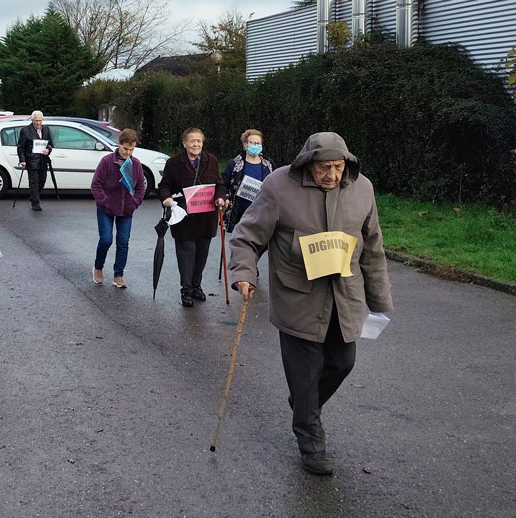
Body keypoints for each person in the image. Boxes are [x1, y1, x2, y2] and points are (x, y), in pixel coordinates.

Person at [228, 132, 393, 477]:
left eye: (337, 167)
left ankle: (305, 408)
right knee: (304, 376)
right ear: (307, 165)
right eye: (323, 168)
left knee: (343, 362)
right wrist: (245, 271)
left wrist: (379, 300)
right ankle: (311, 441)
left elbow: (373, 245)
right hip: (298, 298)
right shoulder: (278, 186)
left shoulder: (362, 188)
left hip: (344, 297)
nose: (332, 175)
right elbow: (247, 235)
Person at [157, 127, 228, 307]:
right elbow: (164, 185)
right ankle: (186, 290)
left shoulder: (211, 160)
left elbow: (220, 184)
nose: (196, 144)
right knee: (186, 254)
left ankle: (197, 286)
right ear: (185, 143)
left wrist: (221, 197)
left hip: (206, 217)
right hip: (184, 218)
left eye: (199, 141)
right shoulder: (174, 163)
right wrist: (166, 198)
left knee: (201, 255)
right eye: (192, 141)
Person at [90, 128, 145, 289]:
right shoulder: (107, 161)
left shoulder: (136, 164)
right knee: (106, 239)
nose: (128, 152)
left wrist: (134, 202)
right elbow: (96, 185)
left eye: (131, 149)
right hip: (106, 208)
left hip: (126, 209)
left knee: (123, 242)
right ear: (118, 144)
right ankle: (98, 267)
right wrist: (106, 201)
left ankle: (118, 274)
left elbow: (141, 187)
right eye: (125, 149)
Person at [222, 129, 276, 234]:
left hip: (261, 209)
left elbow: (275, 184)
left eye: (258, 143)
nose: (255, 146)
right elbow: (224, 183)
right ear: (245, 144)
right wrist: (225, 198)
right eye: (252, 143)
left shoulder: (268, 164)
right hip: (239, 209)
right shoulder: (234, 163)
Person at [16, 110, 54, 211]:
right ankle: (35, 202)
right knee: (34, 182)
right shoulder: (25, 130)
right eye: (36, 120)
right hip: (31, 160)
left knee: (42, 180)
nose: (38, 123)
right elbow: (20, 147)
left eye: (40, 120)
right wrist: (22, 160)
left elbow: (50, 144)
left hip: (43, 160)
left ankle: (34, 196)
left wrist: (48, 150)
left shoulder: (46, 129)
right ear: (32, 120)